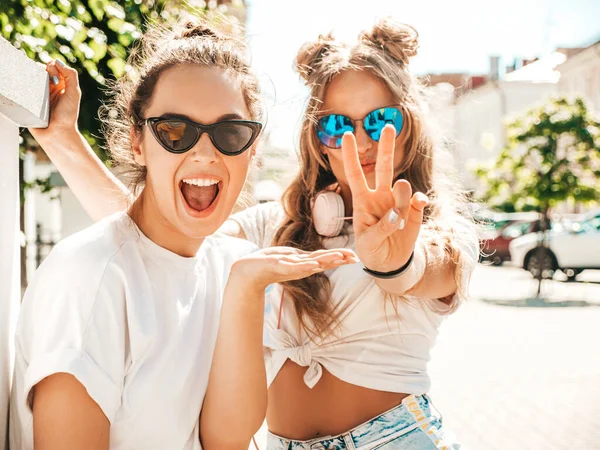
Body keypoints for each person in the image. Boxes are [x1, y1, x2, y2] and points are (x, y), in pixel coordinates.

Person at [31, 17, 479, 450]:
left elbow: (420, 271)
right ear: (317, 139)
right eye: (337, 126)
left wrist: (392, 262)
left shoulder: (439, 231)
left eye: (381, 121)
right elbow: (158, 233)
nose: (359, 142)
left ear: (409, 125)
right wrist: (64, 143)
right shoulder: (273, 228)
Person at [8, 18, 356, 450]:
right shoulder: (89, 276)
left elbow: (225, 439)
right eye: (175, 130)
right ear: (138, 140)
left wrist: (245, 289)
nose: (205, 152)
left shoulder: (232, 263)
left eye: (230, 132)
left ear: (253, 148)